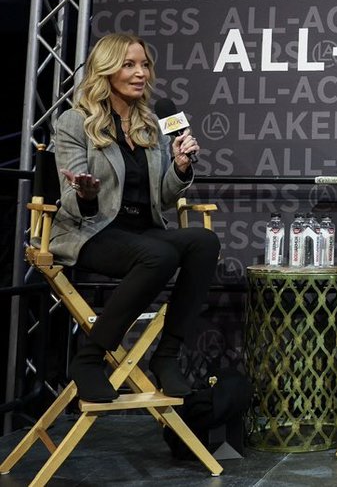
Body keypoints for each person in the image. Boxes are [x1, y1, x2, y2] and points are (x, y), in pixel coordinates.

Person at [51, 33, 219, 403]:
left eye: (144, 64)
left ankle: (167, 357)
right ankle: (90, 359)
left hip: (142, 230)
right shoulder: (75, 123)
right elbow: (70, 197)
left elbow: (163, 196)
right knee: (158, 256)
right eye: (129, 64)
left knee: (203, 242)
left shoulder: (151, 123)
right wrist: (86, 192)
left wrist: (179, 165)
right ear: (106, 70)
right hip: (91, 231)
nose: (140, 73)